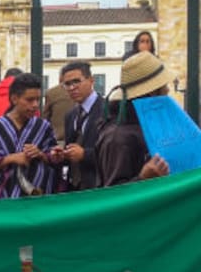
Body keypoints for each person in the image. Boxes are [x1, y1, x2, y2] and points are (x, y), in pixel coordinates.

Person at [0, 73, 61, 199]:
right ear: (14, 99)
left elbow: (52, 158)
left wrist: (42, 154)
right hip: (4, 200)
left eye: (38, 99)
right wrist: (11, 159)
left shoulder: (43, 127)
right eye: (30, 100)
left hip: (38, 197)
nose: (35, 105)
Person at [96, 52, 174, 187]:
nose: (167, 91)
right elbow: (112, 194)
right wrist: (142, 178)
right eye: (164, 86)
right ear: (152, 93)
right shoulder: (117, 138)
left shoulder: (146, 125)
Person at [61, 61, 104, 191]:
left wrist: (85, 155)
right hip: (74, 187)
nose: (72, 88)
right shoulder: (70, 115)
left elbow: (114, 153)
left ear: (91, 80)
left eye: (76, 81)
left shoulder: (107, 110)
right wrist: (62, 155)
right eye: (67, 84)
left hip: (99, 187)